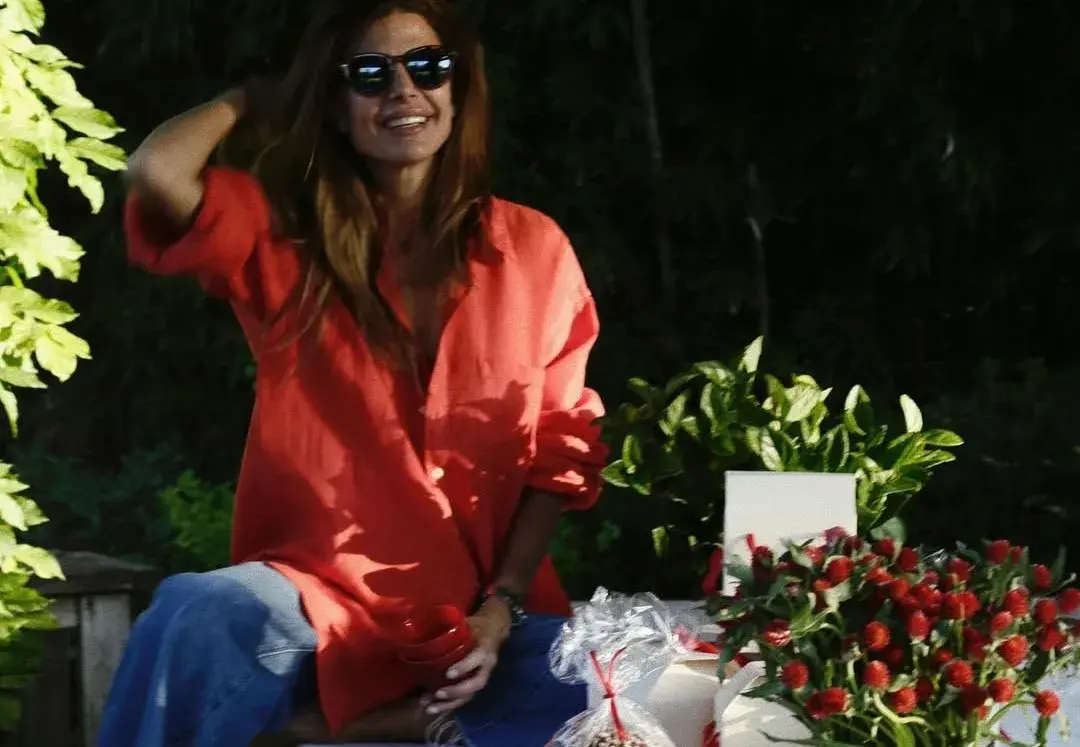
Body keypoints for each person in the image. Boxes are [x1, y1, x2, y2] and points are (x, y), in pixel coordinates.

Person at [99, 0, 607, 744]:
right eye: (370, 74)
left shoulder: (535, 247)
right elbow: (156, 170)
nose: (404, 90)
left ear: (458, 87)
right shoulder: (283, 235)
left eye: (428, 67)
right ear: (336, 106)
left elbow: (557, 454)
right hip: (318, 599)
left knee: (618, 684)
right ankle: (361, 724)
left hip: (476, 621)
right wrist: (251, 99)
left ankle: (334, 729)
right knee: (196, 613)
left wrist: (500, 608)